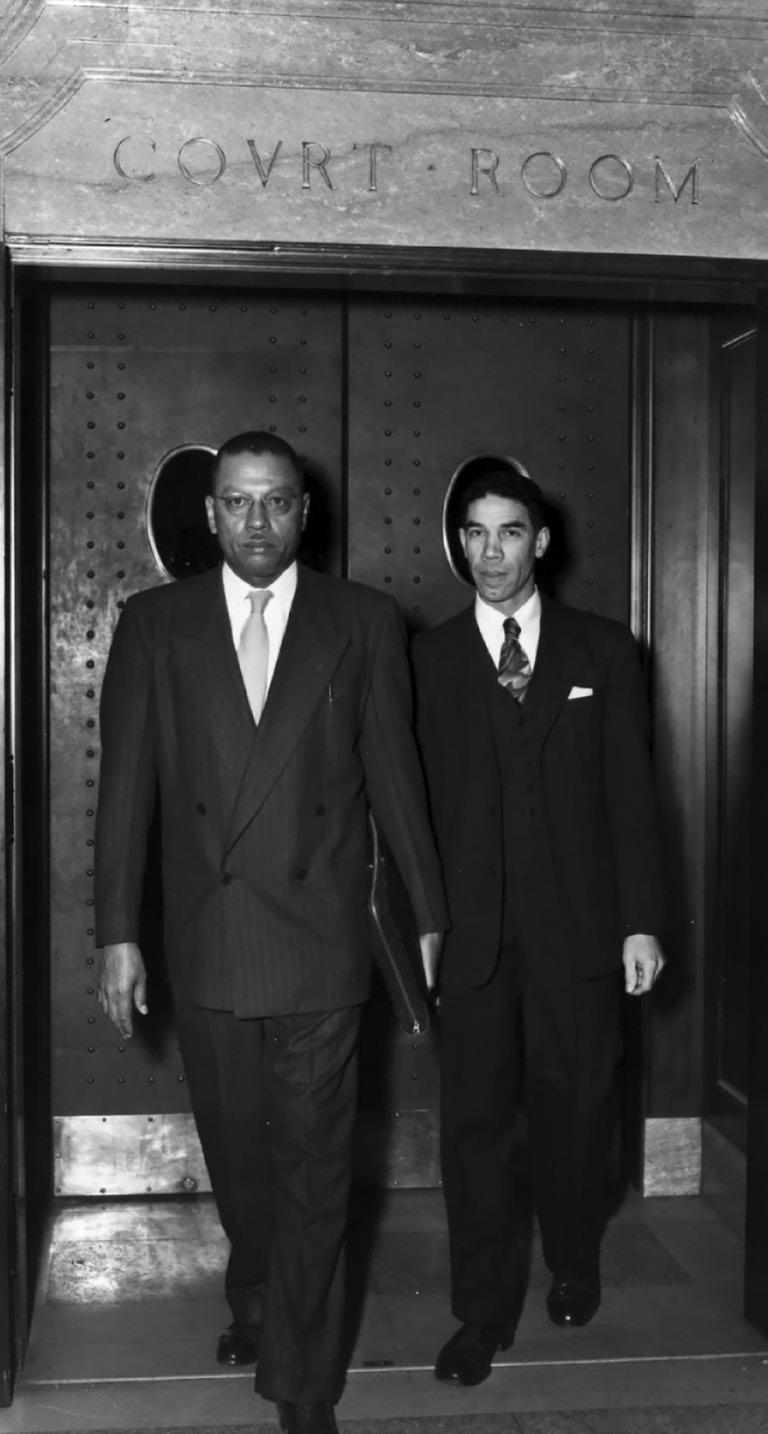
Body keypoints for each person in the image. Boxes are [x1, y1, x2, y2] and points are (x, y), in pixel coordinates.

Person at [95, 431, 446, 1434]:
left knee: (315, 1166)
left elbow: (397, 780)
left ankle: (302, 1380)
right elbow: (126, 792)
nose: (258, 521)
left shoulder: (362, 620)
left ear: (305, 512)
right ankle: (255, 1289)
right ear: (210, 514)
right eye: (238, 502)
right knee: (243, 1164)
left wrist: (427, 915)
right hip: (209, 938)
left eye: (277, 501)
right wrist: (116, 934)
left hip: (322, 939)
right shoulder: (154, 625)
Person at [412, 463, 666, 1388]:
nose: (491, 553)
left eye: (510, 531)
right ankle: (480, 1315)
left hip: (582, 936)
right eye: (475, 533)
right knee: (474, 1134)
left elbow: (633, 797)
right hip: (472, 941)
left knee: (577, 1117)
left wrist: (641, 923)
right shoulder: (428, 660)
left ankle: (573, 1257)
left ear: (542, 541)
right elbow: (412, 808)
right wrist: (424, 926)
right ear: (460, 543)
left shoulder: (604, 651)